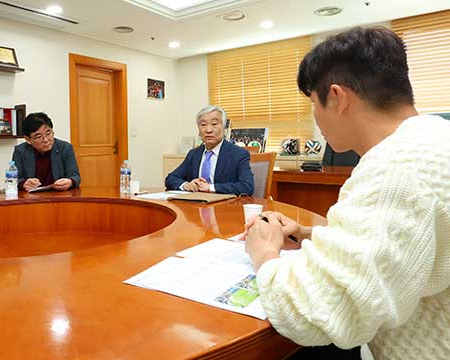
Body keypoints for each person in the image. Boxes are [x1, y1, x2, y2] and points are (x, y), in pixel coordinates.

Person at [243, 27, 450, 360]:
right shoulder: (434, 137)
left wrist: (265, 253)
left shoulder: (396, 168)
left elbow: (320, 313)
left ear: (338, 98)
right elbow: (406, 240)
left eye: (313, 102)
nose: (314, 115)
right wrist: (308, 232)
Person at [165, 105, 254, 195]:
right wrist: (186, 185)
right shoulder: (194, 154)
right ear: (199, 130)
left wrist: (210, 187)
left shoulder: (238, 154)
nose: (208, 130)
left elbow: (247, 186)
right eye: (203, 125)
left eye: (214, 124)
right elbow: (171, 178)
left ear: (224, 127)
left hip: (224, 206)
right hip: (195, 204)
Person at [11, 112, 80, 191]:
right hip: (32, 198)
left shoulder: (65, 148)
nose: (46, 140)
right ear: (28, 139)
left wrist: (70, 182)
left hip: (59, 195)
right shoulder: (20, 151)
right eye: (38, 136)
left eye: (48, 133)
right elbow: (14, 179)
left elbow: (75, 176)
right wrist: (23, 183)